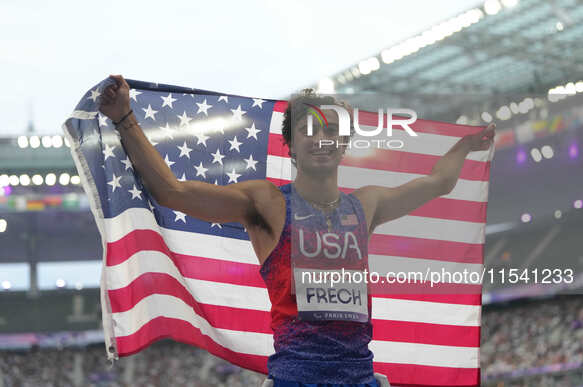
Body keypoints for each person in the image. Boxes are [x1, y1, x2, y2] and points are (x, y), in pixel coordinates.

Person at [99, 74, 495, 387]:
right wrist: (125, 119)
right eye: (310, 130)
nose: (321, 139)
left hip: (361, 378)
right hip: (295, 379)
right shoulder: (266, 204)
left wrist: (462, 149)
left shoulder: (367, 205)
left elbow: (437, 184)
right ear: (289, 143)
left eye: (331, 131)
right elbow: (173, 192)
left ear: (344, 143)